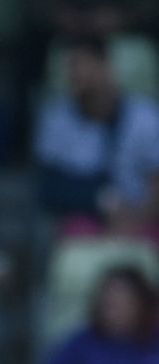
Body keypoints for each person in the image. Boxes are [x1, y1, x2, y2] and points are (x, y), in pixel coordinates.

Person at [35, 37, 159, 237]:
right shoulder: (57, 120)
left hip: (140, 218)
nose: (77, 74)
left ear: (106, 67)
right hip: (86, 217)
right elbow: (49, 189)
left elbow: (156, 187)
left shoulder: (146, 118)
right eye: (71, 67)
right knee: (76, 234)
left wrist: (132, 220)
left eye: (84, 65)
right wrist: (100, 200)